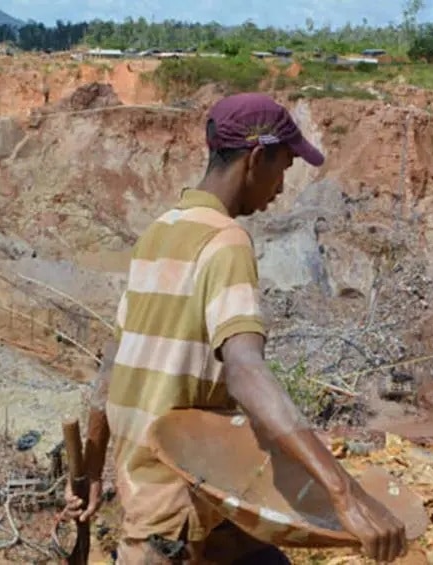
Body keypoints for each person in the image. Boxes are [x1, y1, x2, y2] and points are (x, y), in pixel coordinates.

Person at [63, 92, 408, 563]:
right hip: (175, 519)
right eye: (283, 167)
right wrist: (344, 493)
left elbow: (112, 364)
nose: (281, 187)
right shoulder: (226, 241)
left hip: (191, 501)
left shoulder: (159, 232)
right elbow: (245, 371)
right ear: (256, 158)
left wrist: (91, 468)